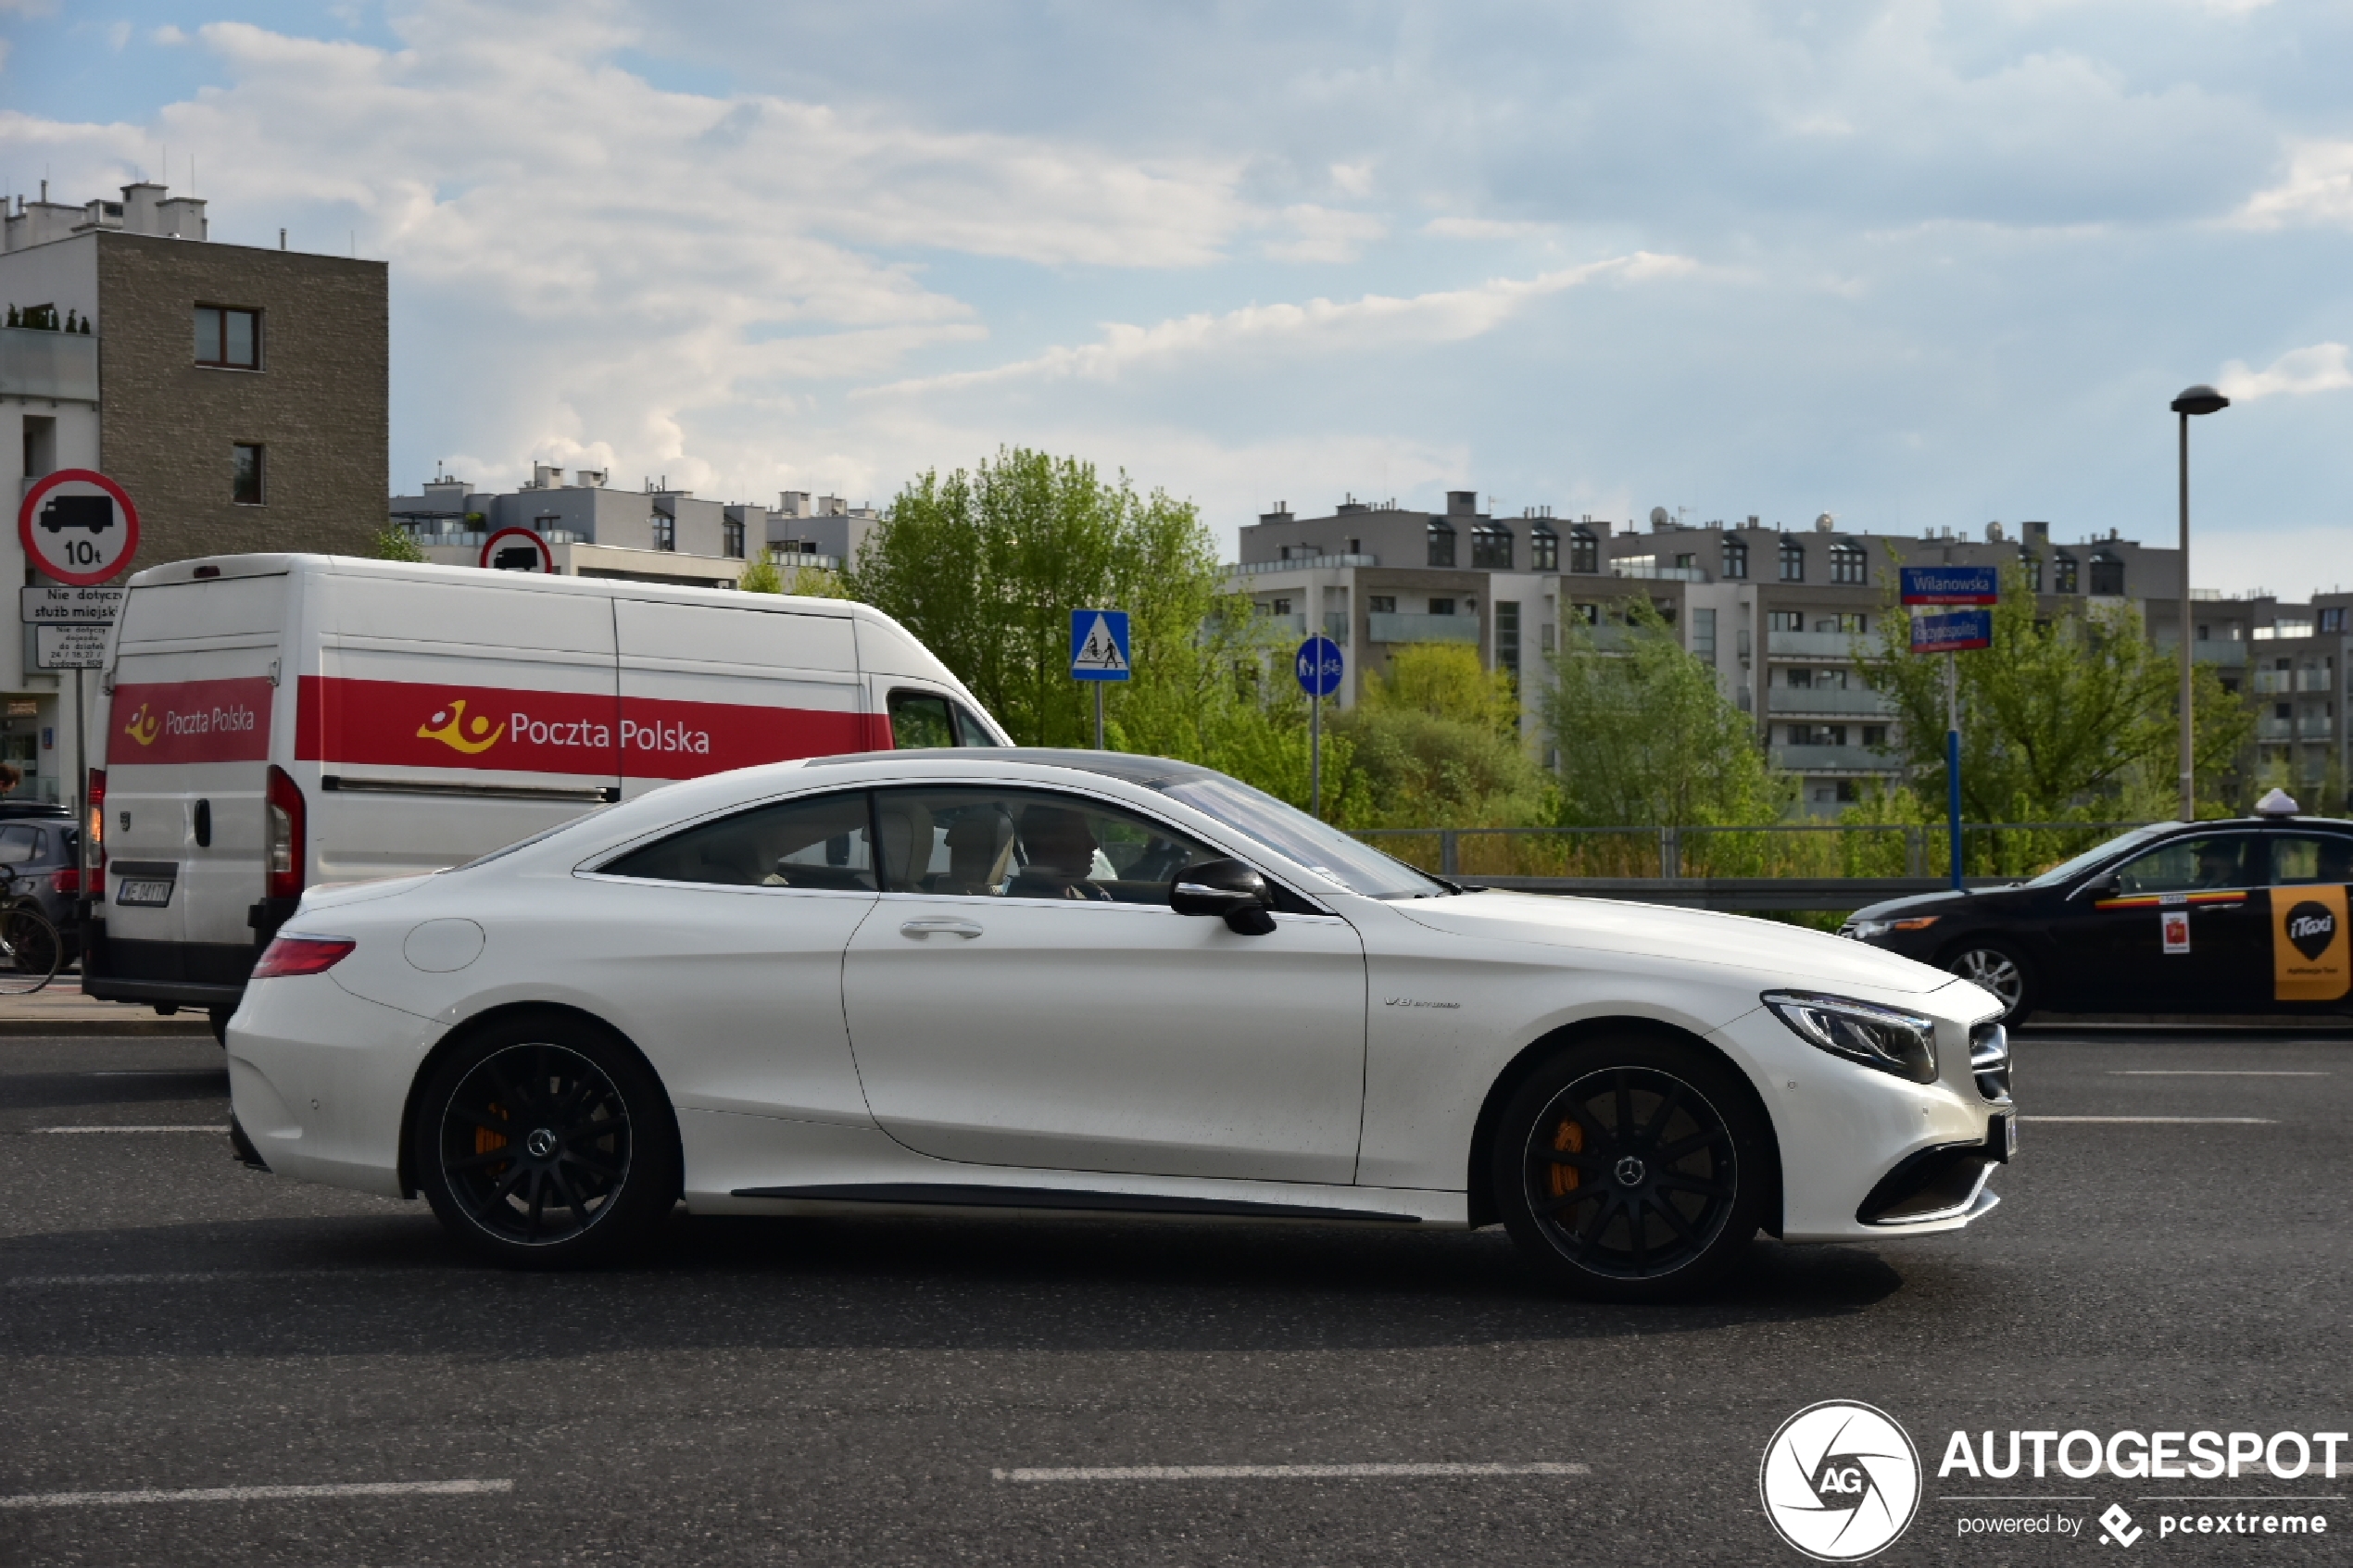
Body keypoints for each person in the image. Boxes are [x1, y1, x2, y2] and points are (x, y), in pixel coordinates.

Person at [1009, 804, 1111, 900]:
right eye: (1081, 836)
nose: (1093, 845)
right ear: (1047, 846)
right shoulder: (1037, 906)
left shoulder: (1079, 891)